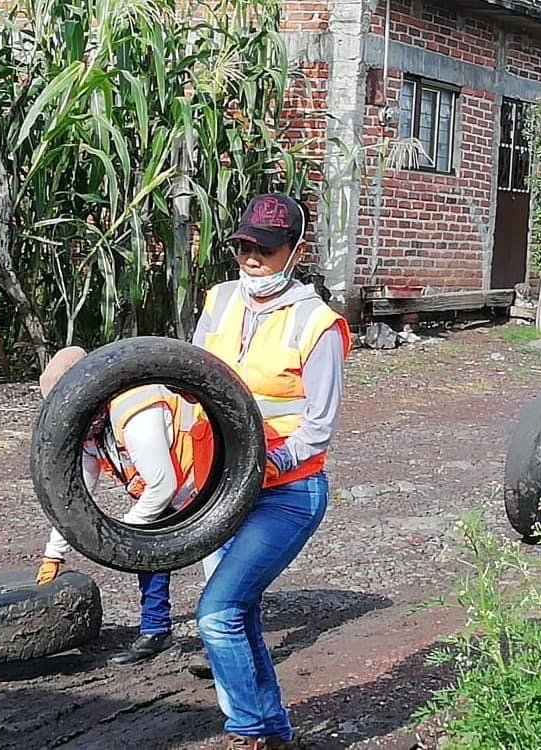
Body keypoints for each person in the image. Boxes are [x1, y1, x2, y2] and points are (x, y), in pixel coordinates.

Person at [191, 192, 351, 750]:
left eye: (265, 248)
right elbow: (191, 378)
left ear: (295, 250)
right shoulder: (218, 301)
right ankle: (275, 730)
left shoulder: (318, 324)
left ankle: (246, 733)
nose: (251, 257)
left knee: (217, 612)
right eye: (243, 246)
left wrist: (264, 463)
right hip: (219, 489)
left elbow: (317, 427)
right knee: (240, 611)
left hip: (286, 493)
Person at [36, 346, 202, 666]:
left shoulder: (134, 409)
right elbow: (72, 497)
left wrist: (120, 532)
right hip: (171, 494)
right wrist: (52, 556)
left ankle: (225, 640)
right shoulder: (90, 432)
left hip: (208, 486)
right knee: (149, 550)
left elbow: (162, 486)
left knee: (223, 572)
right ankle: (156, 631)